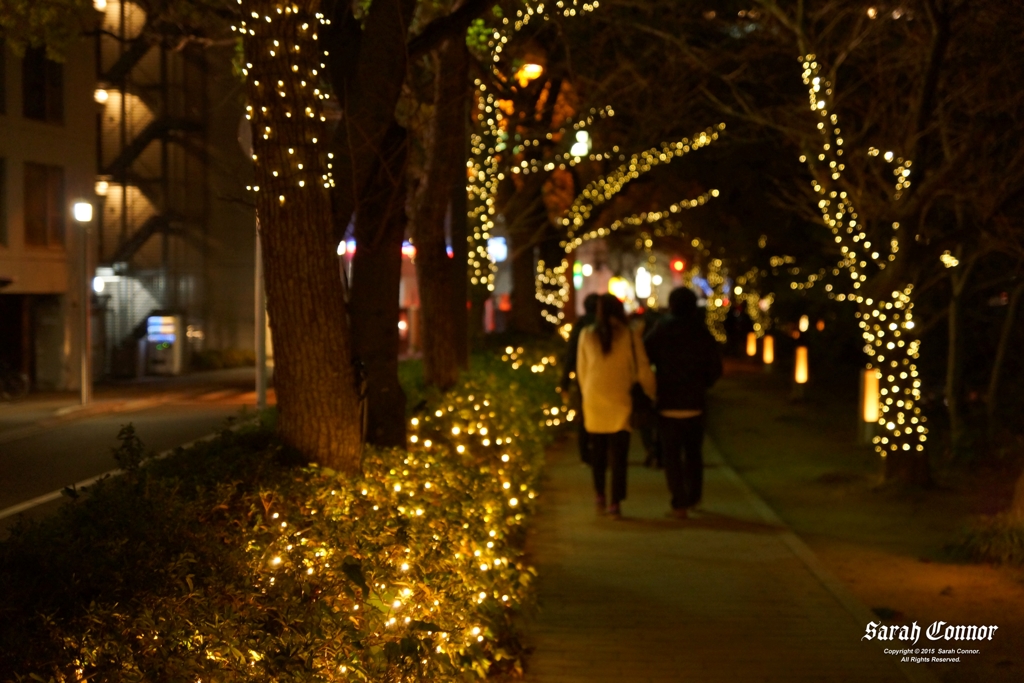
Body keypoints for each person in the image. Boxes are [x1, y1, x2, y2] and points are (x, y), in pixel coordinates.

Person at [644, 287, 723, 518]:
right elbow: (715, 368)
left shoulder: (660, 330)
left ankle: (679, 504)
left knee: (671, 456)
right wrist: (703, 384)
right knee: (693, 454)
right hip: (695, 402)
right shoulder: (702, 332)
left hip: (668, 402)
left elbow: (644, 358)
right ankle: (695, 497)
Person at [576, 294, 656, 518]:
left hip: (593, 399)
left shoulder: (586, 334)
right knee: (619, 456)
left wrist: (586, 395)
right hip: (621, 400)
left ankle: (599, 494)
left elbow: (582, 370)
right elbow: (641, 368)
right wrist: (652, 391)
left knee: (598, 452)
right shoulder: (629, 335)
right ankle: (616, 503)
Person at [560, 293, 600, 464]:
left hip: (583, 377)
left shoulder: (581, 326)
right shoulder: (603, 325)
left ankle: (585, 454)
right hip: (602, 377)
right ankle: (600, 452)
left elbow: (571, 354)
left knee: (584, 416)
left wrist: (565, 382)